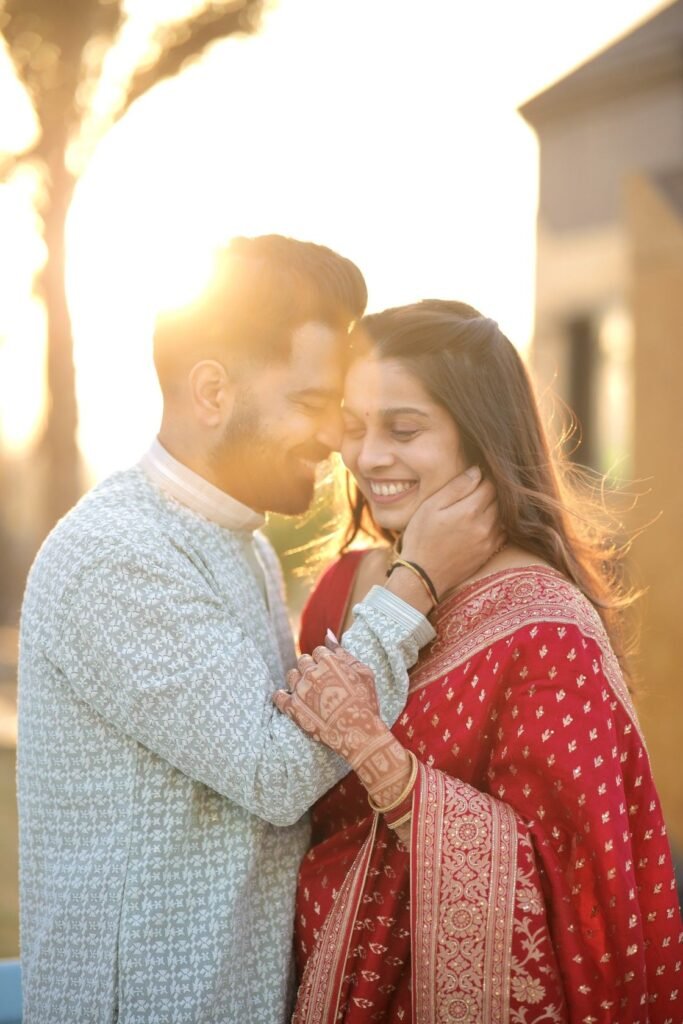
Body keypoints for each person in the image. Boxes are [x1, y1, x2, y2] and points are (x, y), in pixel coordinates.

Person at [17, 242, 500, 1024]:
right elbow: (274, 774)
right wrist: (415, 583)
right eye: (312, 403)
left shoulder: (241, 546)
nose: (336, 440)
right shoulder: (118, 554)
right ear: (213, 391)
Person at [275, 300, 683, 1023]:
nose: (368, 457)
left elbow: (576, 885)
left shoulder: (546, 626)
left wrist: (385, 765)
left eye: (404, 429)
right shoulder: (341, 588)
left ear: (480, 433)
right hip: (316, 982)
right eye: (354, 427)